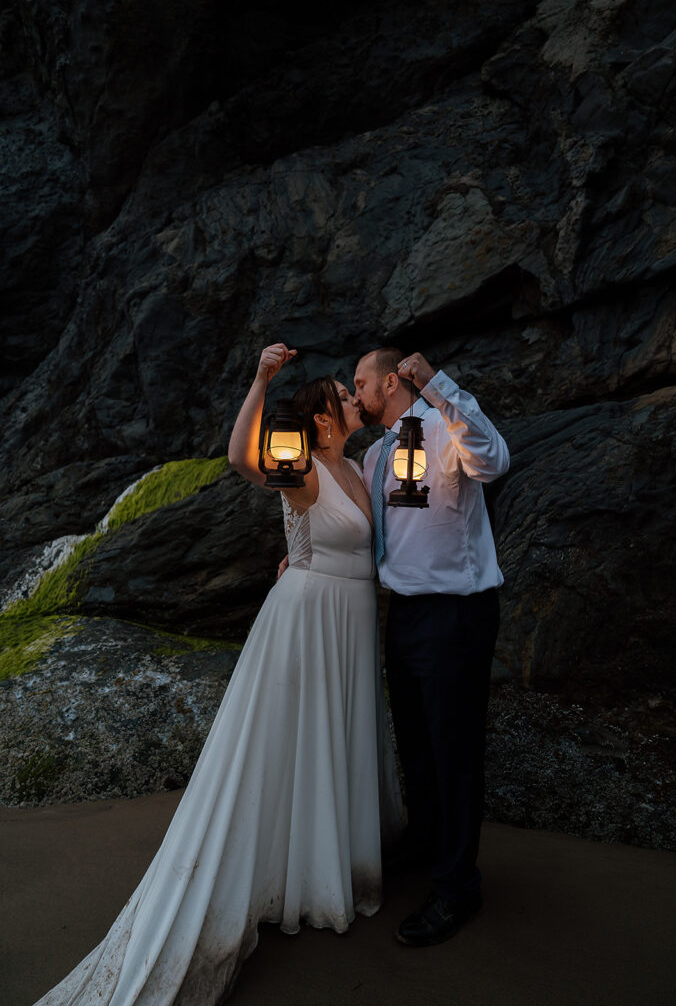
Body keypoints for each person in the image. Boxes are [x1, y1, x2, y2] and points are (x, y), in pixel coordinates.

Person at [34, 343, 403, 1006]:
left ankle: (321, 869)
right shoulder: (305, 469)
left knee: (334, 741)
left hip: (350, 623)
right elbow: (239, 459)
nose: (354, 399)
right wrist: (263, 380)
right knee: (289, 744)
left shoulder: (358, 466)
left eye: (356, 392)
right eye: (344, 396)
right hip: (307, 620)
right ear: (321, 419)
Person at [352, 347, 510, 947]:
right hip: (405, 613)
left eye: (362, 383)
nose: (357, 393)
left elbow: (495, 461)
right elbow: (367, 534)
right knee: (416, 746)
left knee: (454, 752)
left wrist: (440, 385)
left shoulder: (446, 425)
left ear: (392, 381)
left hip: (456, 614)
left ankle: (456, 887)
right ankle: (425, 845)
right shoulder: (375, 454)